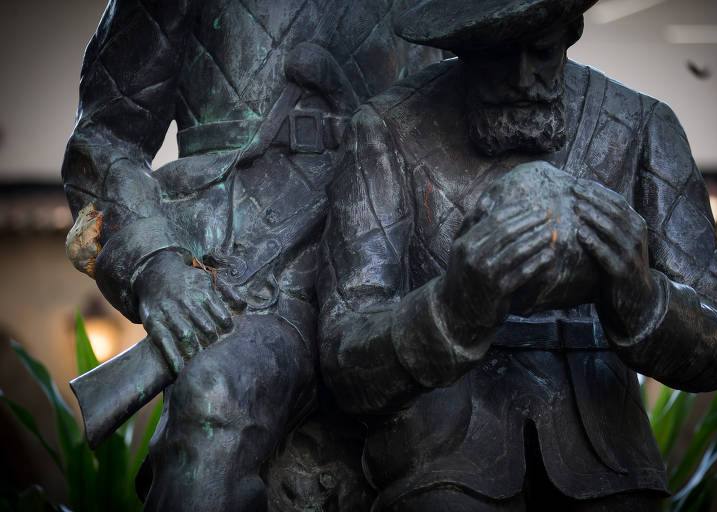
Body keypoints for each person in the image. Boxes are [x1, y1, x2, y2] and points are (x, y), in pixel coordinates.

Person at [317, 0, 717, 510]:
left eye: (541, 51)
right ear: (460, 48)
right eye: (497, 54)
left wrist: (641, 297)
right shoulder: (388, 128)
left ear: (572, 30)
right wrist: (452, 309)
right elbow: (345, 354)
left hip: (610, 457)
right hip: (440, 460)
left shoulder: (641, 125)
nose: (522, 78)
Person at [61, 0, 439, 510]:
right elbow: (104, 137)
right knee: (212, 398)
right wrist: (156, 266)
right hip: (242, 260)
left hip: (415, 258)